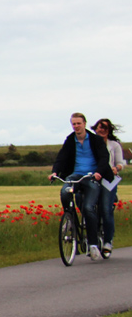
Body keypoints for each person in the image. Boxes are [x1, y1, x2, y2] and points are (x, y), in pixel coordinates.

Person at [50, 112, 113, 261]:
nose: (76, 126)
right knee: (65, 191)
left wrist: (98, 172)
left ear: (84, 123)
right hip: (75, 175)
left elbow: (104, 158)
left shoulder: (96, 140)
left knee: (88, 208)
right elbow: (62, 157)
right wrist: (54, 172)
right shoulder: (71, 140)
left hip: (91, 176)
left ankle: (92, 244)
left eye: (78, 123)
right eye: (73, 124)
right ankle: (69, 219)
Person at [93, 118, 124, 257]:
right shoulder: (90, 143)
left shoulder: (114, 145)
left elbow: (120, 162)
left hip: (108, 179)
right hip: (93, 177)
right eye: (100, 127)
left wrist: (116, 168)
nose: (102, 130)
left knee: (106, 209)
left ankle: (108, 242)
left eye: (105, 128)